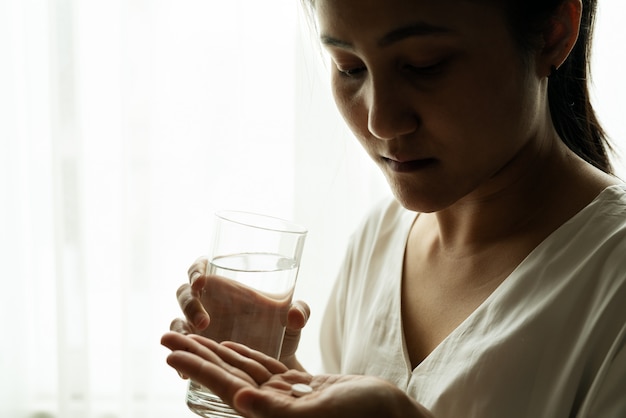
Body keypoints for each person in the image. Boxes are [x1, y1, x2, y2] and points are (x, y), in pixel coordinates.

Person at [161, 0, 626, 416]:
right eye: (348, 68)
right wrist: (282, 378)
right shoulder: (377, 239)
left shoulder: (611, 274)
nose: (380, 121)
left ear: (553, 33)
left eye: (426, 65)